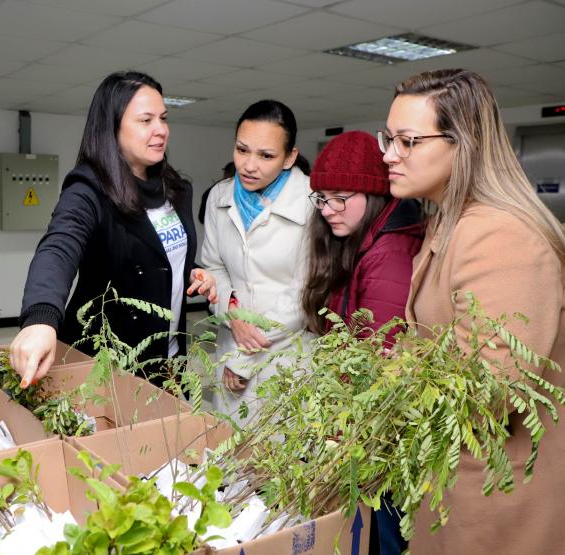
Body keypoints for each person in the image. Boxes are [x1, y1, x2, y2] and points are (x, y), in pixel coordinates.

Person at [382, 68, 565, 553]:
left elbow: (490, 391)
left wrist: (387, 391)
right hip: (456, 482)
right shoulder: (450, 222)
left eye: (407, 141)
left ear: (462, 143)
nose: (389, 155)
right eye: (388, 138)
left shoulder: (499, 236)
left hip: (497, 500)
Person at [11, 71, 217, 389]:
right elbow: (59, 247)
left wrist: (190, 271)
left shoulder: (176, 189)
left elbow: (159, 253)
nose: (161, 130)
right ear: (112, 127)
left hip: (169, 359)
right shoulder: (88, 189)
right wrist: (40, 317)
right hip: (107, 364)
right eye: (146, 120)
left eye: (163, 118)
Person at [300, 130, 423, 555]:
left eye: (340, 198)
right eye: (321, 199)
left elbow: (378, 363)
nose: (328, 210)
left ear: (372, 195)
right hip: (362, 424)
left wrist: (338, 434)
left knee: (382, 535)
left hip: (375, 431)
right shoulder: (362, 241)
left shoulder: (389, 253)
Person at [200, 99, 313, 422]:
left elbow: (303, 294)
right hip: (230, 342)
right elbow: (214, 267)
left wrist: (243, 359)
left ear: (290, 157)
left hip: (285, 354)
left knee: (281, 445)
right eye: (242, 150)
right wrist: (232, 313)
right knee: (228, 442)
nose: (249, 165)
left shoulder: (312, 201)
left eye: (266, 156)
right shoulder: (219, 197)